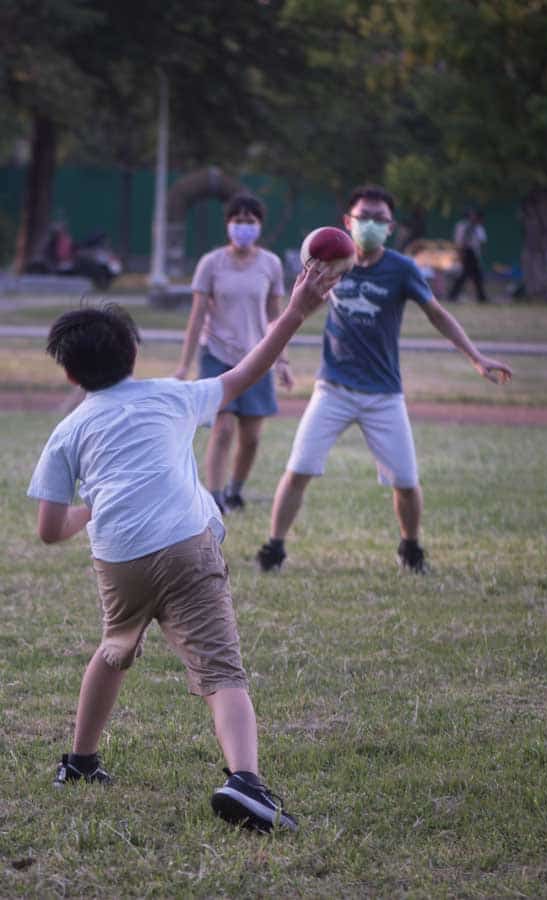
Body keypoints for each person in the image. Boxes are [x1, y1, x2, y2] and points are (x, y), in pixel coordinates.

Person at [26, 264, 337, 833]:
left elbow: (48, 528)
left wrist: (95, 507)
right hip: (185, 547)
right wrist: (295, 312)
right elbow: (246, 372)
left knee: (115, 647)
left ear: (70, 373)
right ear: (133, 356)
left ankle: (80, 762)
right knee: (222, 671)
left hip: (119, 559)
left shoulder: (67, 431)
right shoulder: (172, 396)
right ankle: (246, 781)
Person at [256, 185, 512, 575]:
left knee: (406, 481)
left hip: (384, 394)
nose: (371, 225)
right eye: (364, 217)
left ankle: (410, 548)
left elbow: (437, 313)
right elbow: (296, 311)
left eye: (380, 219)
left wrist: (475, 356)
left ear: (391, 227)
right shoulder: (329, 263)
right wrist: (281, 356)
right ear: (348, 221)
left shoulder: (402, 269)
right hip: (333, 389)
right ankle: (273, 549)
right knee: (298, 469)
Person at [174, 193, 292, 514]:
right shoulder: (211, 264)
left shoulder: (270, 264)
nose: (243, 227)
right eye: (237, 221)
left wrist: (282, 360)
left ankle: (235, 491)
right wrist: (184, 365)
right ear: (227, 224)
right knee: (223, 428)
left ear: (260, 225)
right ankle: (214, 497)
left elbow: (276, 316)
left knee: (251, 436)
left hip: (257, 357)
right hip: (217, 353)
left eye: (249, 221)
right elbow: (197, 315)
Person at [448, 208, 489, 303]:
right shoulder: (463, 226)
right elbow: (460, 241)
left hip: (473, 253)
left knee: (471, 275)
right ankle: (481, 296)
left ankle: (481, 296)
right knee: (470, 275)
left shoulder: (477, 227)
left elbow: (482, 241)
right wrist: (461, 253)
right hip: (467, 252)